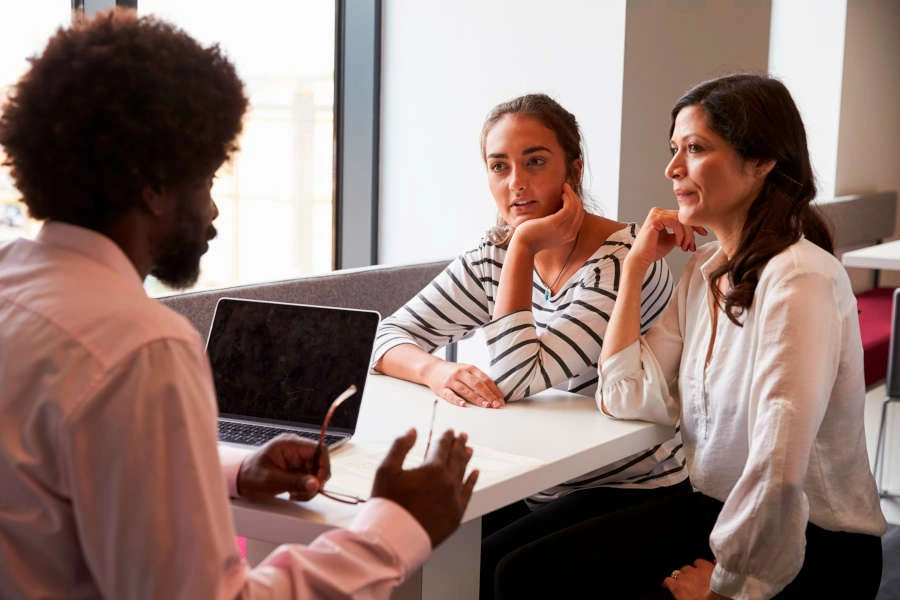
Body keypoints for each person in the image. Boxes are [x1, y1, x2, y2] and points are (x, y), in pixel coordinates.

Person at [0, 10, 478, 599]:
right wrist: (396, 527)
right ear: (153, 185)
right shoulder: (139, 347)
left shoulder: (11, 294)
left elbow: (56, 489)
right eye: (205, 180)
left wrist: (232, 473)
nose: (214, 213)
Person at [494, 74, 887, 600]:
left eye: (696, 148)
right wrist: (634, 266)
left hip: (812, 547)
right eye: (673, 149)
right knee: (517, 572)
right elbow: (624, 396)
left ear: (762, 162)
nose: (672, 168)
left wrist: (731, 589)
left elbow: (778, 468)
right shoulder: (706, 270)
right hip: (711, 510)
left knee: (532, 581)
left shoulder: (799, 278)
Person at [371, 93, 691, 597]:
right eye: (499, 166)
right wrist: (436, 371)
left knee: (496, 572)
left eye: (535, 162)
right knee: (417, 551)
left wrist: (522, 246)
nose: (515, 182)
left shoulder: (625, 259)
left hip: (633, 486)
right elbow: (384, 338)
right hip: (539, 481)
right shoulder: (490, 254)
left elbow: (519, 378)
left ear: (574, 170)